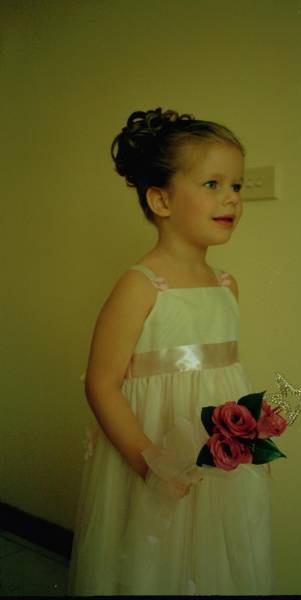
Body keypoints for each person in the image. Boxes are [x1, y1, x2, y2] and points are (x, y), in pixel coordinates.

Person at [68, 108, 272, 596]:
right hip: (154, 451)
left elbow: (223, 377)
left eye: (237, 186)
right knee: (153, 559)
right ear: (161, 199)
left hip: (217, 457)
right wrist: (151, 464)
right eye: (212, 184)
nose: (232, 198)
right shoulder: (140, 286)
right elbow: (101, 384)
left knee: (215, 553)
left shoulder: (226, 285)